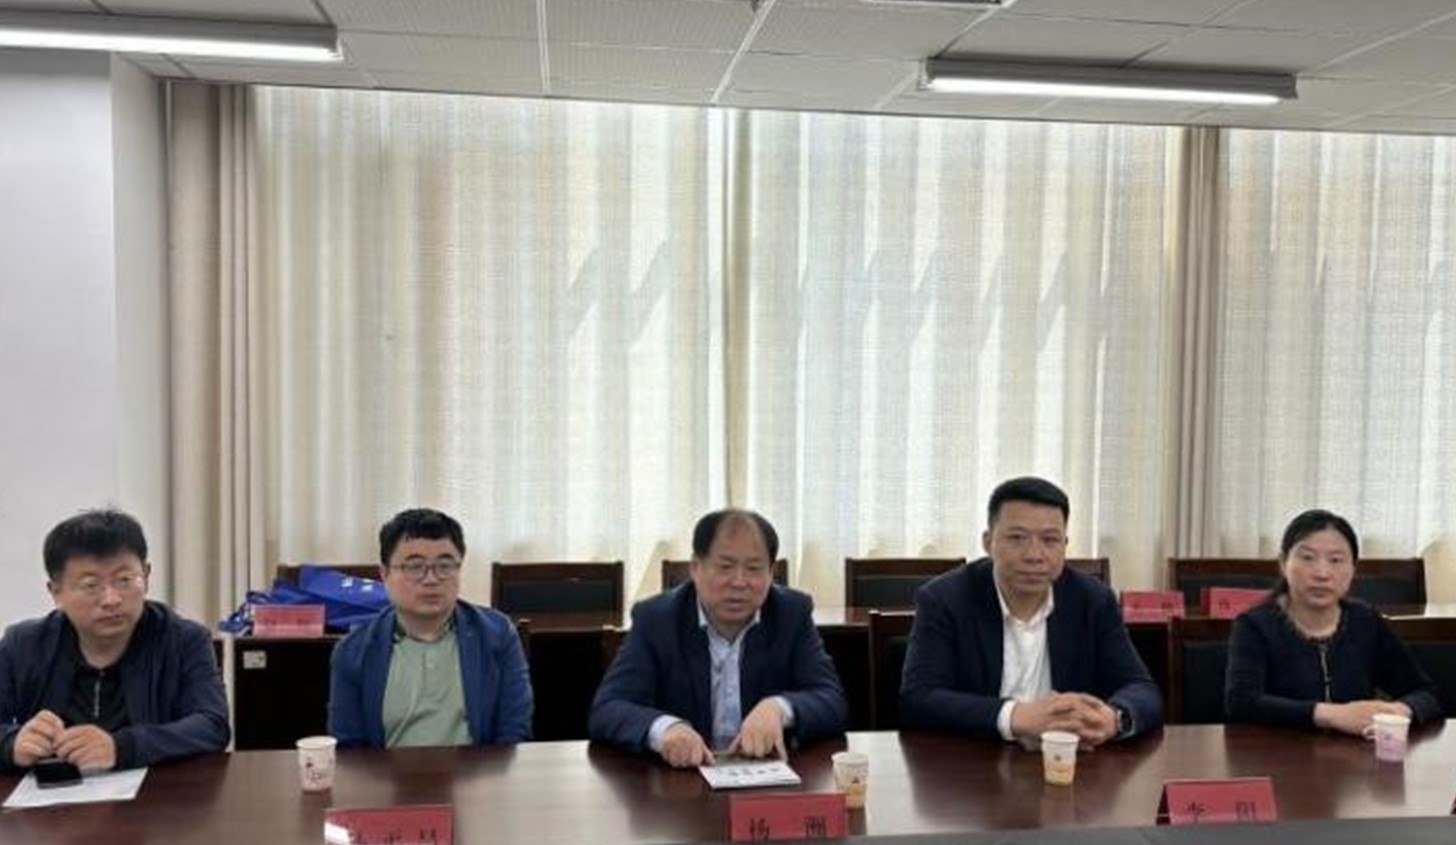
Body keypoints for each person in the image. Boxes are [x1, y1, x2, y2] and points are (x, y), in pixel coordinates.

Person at [900, 476, 1161, 744]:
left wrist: (1113, 718)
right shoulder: (945, 600)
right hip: (974, 759)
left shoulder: (1093, 600)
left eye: (1050, 540)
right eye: (1017, 538)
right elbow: (918, 698)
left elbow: (1141, 688)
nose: (1034, 555)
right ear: (988, 542)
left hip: (1067, 760)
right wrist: (1015, 716)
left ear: (1064, 545)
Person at [589, 508, 847, 767]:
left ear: (771, 573)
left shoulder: (791, 613)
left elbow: (831, 700)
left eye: (754, 568)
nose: (739, 582)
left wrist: (779, 708)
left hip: (766, 778)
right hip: (682, 781)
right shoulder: (657, 619)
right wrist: (666, 729)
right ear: (695, 568)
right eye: (725, 567)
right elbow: (608, 708)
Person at [0, 509, 230, 773]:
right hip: (48, 796)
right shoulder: (23, 645)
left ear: (146, 576)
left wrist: (122, 748)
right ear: (56, 592)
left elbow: (212, 726)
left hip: (155, 794)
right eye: (90, 585)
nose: (111, 599)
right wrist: (11, 744)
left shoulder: (184, 640)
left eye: (124, 580)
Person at [328, 508, 532, 747]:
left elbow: (514, 730)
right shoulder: (353, 651)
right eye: (415, 567)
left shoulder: (497, 634)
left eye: (445, 566)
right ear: (385, 574)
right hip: (389, 772)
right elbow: (349, 748)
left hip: (477, 771)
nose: (431, 579)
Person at [1225, 509, 1440, 734]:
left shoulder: (1365, 621)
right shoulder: (1255, 625)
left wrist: (1400, 711)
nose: (1322, 573)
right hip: (1278, 751)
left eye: (1336, 560)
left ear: (1353, 568)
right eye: (1308, 558)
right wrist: (1332, 715)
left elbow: (1424, 693)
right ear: (1283, 563)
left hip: (1355, 753)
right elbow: (1241, 703)